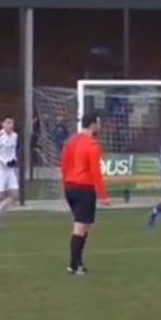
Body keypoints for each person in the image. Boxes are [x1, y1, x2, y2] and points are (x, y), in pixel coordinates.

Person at [60, 113, 110, 275]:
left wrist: (65, 185)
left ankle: (79, 262)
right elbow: (96, 172)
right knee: (80, 227)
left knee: (84, 225)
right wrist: (103, 196)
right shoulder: (92, 145)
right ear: (93, 124)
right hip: (84, 188)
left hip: (70, 188)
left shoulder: (71, 142)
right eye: (99, 123)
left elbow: (64, 164)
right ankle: (73, 265)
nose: (100, 126)